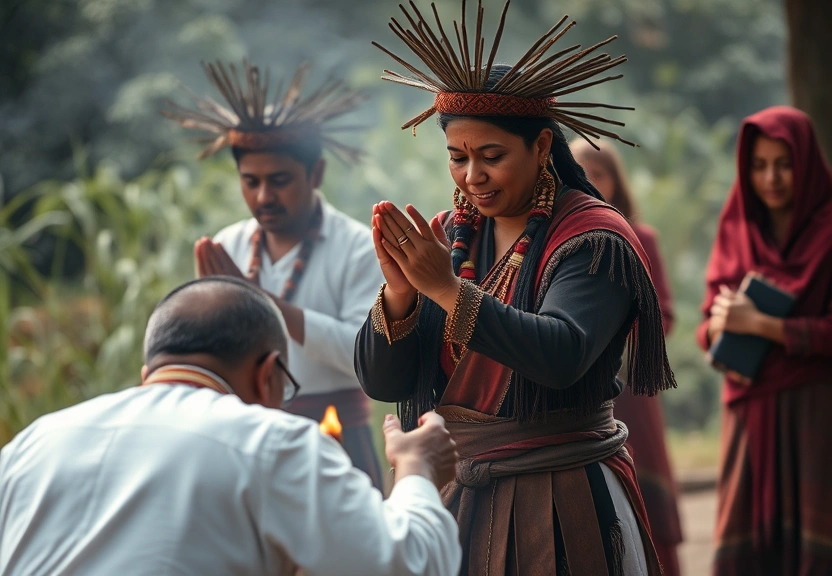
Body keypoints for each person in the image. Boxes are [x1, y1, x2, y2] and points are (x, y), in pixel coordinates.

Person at [356, 3, 676, 574]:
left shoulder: (594, 240)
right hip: (457, 501)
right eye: (457, 157)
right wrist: (403, 295)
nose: (472, 176)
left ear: (543, 147)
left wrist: (447, 290)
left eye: (491, 156)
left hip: (562, 500)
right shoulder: (453, 238)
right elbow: (386, 382)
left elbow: (560, 354)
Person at [0, 276, 461, 576]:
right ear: (268, 375)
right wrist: (416, 470)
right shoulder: (270, 444)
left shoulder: (32, 443)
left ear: (149, 374)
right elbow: (411, 565)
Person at [163, 60, 385, 487]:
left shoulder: (359, 247)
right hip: (247, 439)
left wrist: (257, 302)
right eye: (251, 181)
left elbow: (367, 358)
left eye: (279, 179)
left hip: (336, 437)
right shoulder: (229, 245)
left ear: (315, 173)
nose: (263, 195)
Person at [696, 106, 832, 575]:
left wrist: (764, 326)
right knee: (743, 543)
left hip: (816, 407)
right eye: (758, 165)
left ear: (807, 163)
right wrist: (718, 324)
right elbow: (705, 326)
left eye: (784, 163)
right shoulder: (737, 226)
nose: (771, 178)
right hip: (749, 408)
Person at [571, 139, 683, 576]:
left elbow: (666, 316)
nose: (592, 183)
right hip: (581, 392)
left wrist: (610, 333)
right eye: (582, 173)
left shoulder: (642, 239)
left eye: (600, 174)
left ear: (617, 181)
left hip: (633, 389)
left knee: (648, 495)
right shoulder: (562, 241)